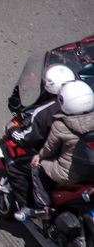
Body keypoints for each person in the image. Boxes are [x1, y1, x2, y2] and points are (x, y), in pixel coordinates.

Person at [17, 80, 94, 221]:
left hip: (68, 174)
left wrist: (39, 156)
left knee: (37, 165)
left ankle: (43, 207)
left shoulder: (61, 124)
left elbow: (49, 149)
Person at [5, 65, 75, 213]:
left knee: (15, 165)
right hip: (82, 158)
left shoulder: (45, 113)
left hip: (63, 164)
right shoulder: (87, 107)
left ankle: (32, 207)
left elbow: (26, 139)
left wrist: (12, 129)